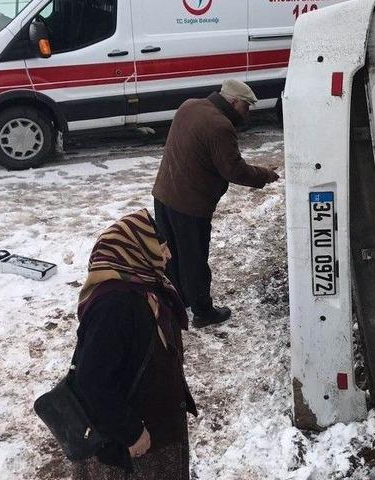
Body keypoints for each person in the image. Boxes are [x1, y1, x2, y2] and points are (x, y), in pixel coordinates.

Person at [70, 209, 196, 480]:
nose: (168, 255)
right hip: (131, 445)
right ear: (133, 249)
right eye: (161, 248)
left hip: (157, 425)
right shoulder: (114, 306)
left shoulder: (146, 285)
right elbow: (92, 380)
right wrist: (131, 433)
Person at [152, 79, 279, 328]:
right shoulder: (220, 126)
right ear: (233, 102)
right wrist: (265, 175)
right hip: (190, 204)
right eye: (246, 107)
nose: (248, 113)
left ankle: (177, 300)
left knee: (172, 254)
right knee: (195, 258)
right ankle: (202, 311)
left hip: (164, 194)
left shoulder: (189, 106)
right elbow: (234, 170)